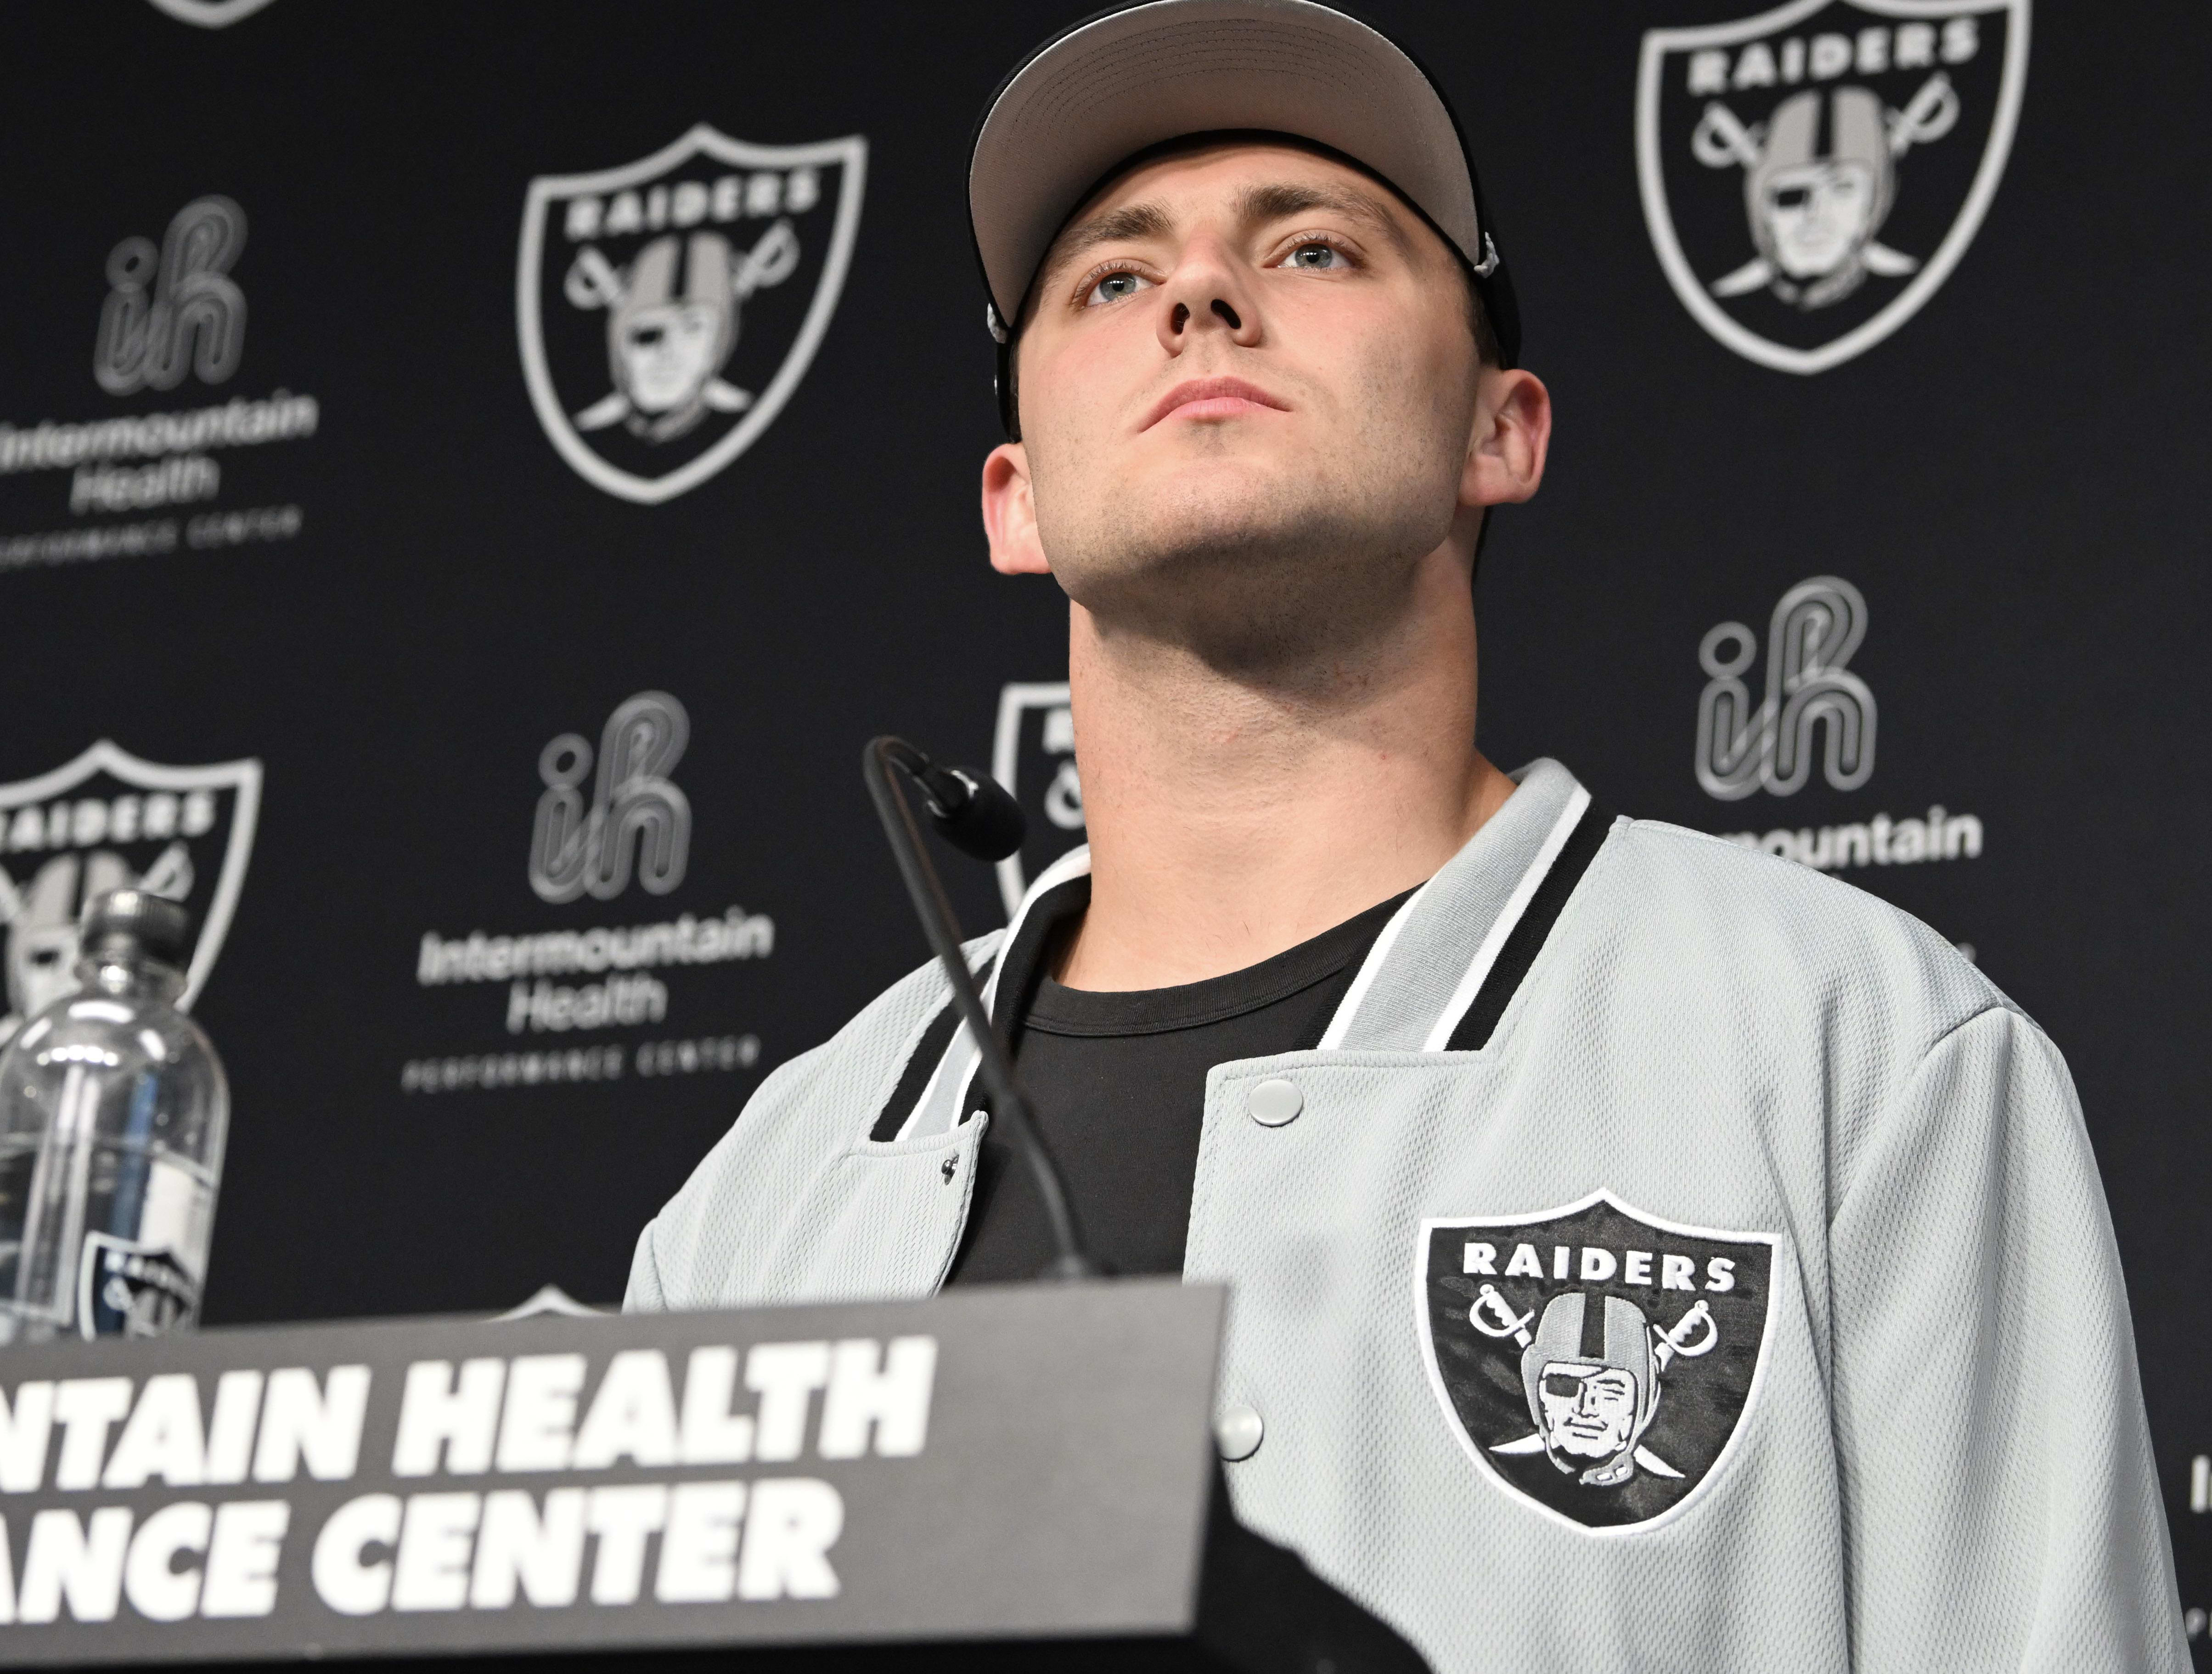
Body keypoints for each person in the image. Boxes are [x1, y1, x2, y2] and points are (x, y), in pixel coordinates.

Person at [620, 2, 2185, 1668]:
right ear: (1015, 499)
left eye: (1312, 249)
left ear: (1498, 431)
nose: (1202, 297)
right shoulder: (775, 1186)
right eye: (1112, 280)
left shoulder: (1851, 1043)